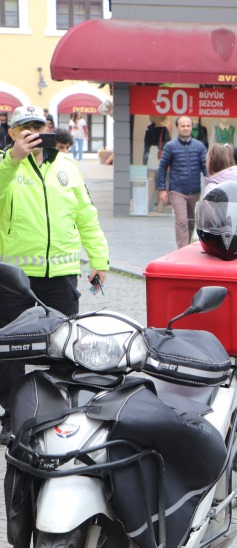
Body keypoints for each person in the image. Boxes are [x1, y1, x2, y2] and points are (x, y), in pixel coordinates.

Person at [0, 105, 109, 444]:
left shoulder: (68, 168)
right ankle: (13, 416)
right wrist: (12, 159)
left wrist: (99, 259)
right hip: (16, 276)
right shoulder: (6, 166)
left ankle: (64, 410)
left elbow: (86, 216)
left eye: (38, 126)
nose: (32, 132)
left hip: (61, 273)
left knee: (65, 346)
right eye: (24, 127)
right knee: (9, 352)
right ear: (12, 133)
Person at [156, 115, 208, 249]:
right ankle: (182, 250)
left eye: (188, 126)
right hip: (177, 191)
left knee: (191, 222)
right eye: (183, 126)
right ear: (178, 127)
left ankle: (186, 246)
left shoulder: (200, 146)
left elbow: (205, 168)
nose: (186, 128)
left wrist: (212, 186)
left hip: (195, 191)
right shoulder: (170, 146)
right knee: (182, 222)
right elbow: (162, 168)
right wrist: (162, 189)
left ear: (192, 127)